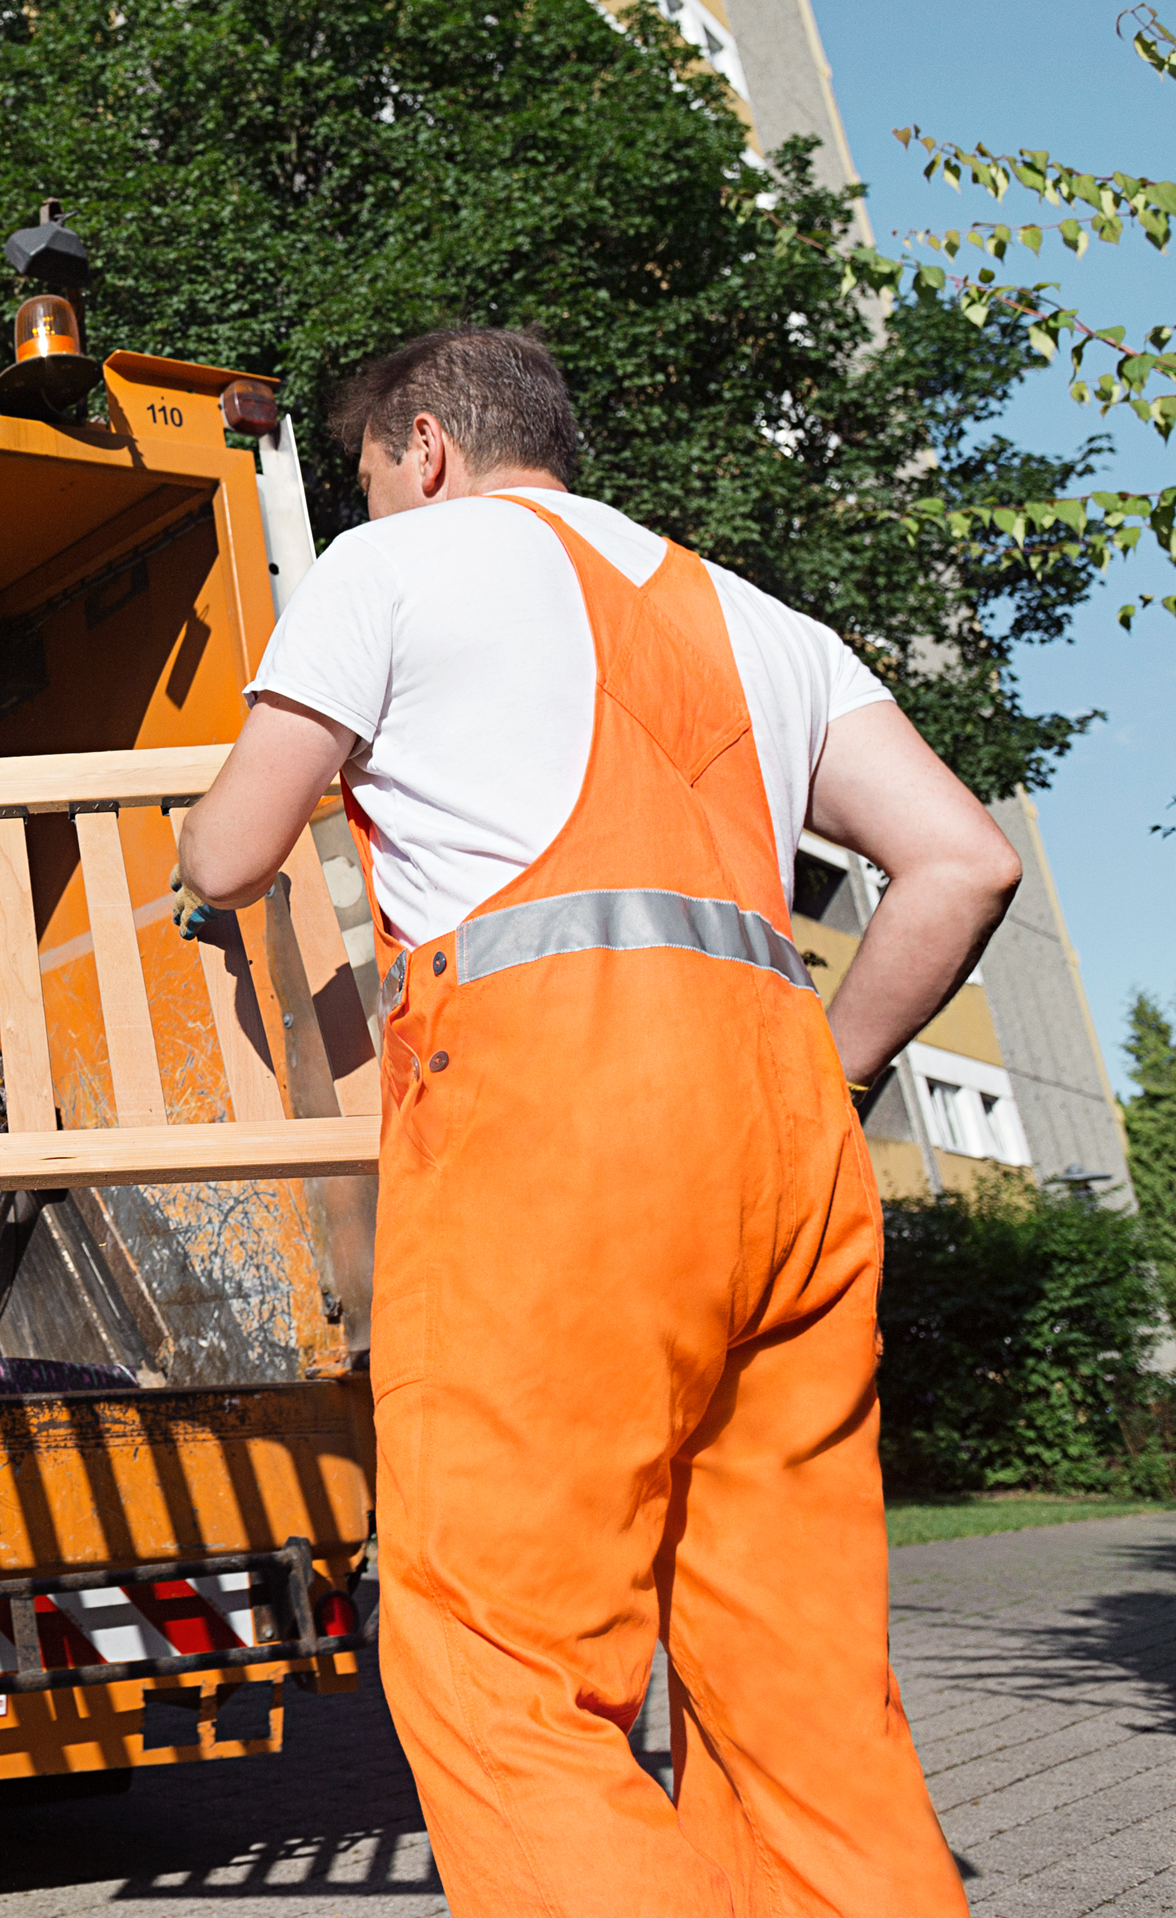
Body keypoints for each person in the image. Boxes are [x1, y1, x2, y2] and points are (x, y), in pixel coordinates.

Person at [172, 328, 1020, 1916]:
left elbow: (229, 856)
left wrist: (193, 867)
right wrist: (821, 1074)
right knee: (799, 1686)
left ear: (422, 447)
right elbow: (964, 861)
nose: (370, 502)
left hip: (556, 1130)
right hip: (784, 1136)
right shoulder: (769, 624)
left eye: (367, 477)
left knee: (503, 1666)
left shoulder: (391, 570)